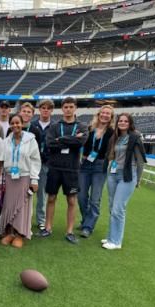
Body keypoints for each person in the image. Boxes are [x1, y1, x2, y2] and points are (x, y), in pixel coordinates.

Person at [43, 97, 88, 244]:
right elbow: (50, 144)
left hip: (72, 169)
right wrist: (71, 139)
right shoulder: (55, 126)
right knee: (51, 198)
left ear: (75, 108)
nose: (68, 109)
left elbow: (80, 142)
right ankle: (48, 228)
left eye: (71, 107)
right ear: (62, 109)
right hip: (55, 167)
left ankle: (69, 231)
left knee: (71, 200)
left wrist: (60, 140)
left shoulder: (82, 126)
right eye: (66, 107)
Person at [102, 113, 146, 250]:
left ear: (130, 123)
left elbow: (140, 161)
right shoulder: (116, 137)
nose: (122, 123)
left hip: (127, 175)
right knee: (111, 207)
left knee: (118, 208)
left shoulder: (135, 137)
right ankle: (111, 237)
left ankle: (116, 241)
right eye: (120, 120)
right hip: (113, 174)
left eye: (125, 121)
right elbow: (111, 155)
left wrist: (138, 179)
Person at [0, 115, 41, 248]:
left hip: (24, 176)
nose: (15, 125)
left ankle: (20, 234)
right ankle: (10, 232)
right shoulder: (5, 141)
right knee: (9, 206)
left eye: (17, 123)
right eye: (12, 123)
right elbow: (1, 161)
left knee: (22, 207)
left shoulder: (30, 139)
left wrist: (34, 179)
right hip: (10, 177)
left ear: (22, 124)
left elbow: (35, 160)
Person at [78, 105, 115, 238]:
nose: (105, 115)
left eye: (108, 114)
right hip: (85, 165)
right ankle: (86, 220)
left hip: (100, 166)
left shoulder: (112, 132)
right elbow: (81, 142)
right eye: (103, 113)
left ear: (111, 117)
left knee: (95, 199)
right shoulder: (89, 129)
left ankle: (88, 226)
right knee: (81, 196)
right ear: (98, 114)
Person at [31, 99, 53, 232]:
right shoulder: (33, 125)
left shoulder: (55, 126)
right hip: (31, 163)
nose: (45, 110)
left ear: (51, 110)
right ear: (40, 109)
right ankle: (26, 219)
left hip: (45, 163)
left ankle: (41, 220)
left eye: (48, 108)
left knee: (42, 194)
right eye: (43, 108)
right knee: (27, 192)